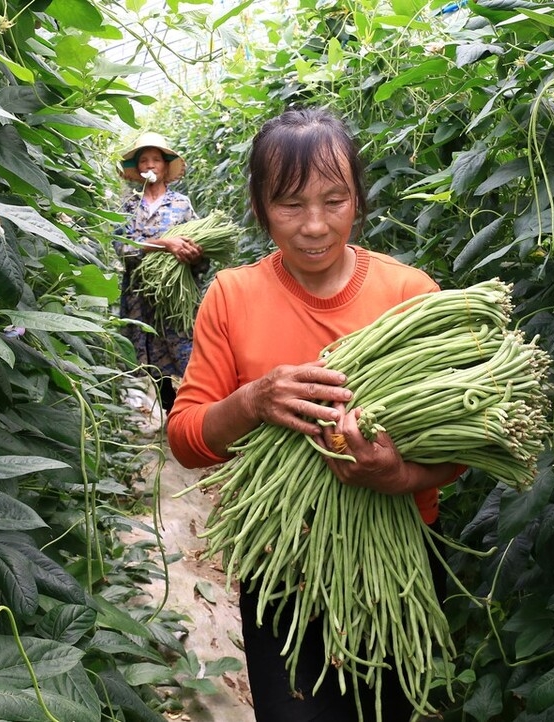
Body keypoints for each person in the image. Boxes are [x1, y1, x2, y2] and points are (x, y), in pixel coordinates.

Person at [166, 108, 461, 721]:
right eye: (290, 205)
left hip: (395, 562)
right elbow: (187, 439)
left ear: (359, 197)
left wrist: (399, 476)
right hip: (282, 567)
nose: (315, 226)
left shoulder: (410, 296)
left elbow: (463, 440)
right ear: (258, 205)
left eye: (335, 200)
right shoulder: (232, 295)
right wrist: (252, 401)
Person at [115, 131, 204, 417]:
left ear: (165, 167)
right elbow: (123, 248)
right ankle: (172, 412)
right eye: (144, 161)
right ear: (138, 169)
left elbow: (199, 250)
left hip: (175, 296)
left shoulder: (181, 205)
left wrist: (194, 255)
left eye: (156, 160)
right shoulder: (129, 207)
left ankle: (199, 413)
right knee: (152, 356)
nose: (150, 165)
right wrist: (165, 244)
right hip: (140, 297)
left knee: (186, 351)